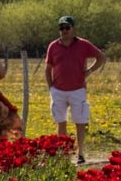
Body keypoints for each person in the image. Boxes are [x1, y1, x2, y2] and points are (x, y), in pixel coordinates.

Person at [44, 15, 105, 162]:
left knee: (80, 121)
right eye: (61, 28)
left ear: (73, 29)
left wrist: (89, 71)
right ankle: (64, 154)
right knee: (61, 122)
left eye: (67, 27)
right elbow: (48, 68)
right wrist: (50, 87)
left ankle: (81, 153)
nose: (64, 31)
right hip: (58, 90)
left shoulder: (83, 45)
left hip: (77, 89)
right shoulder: (53, 46)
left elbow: (101, 57)